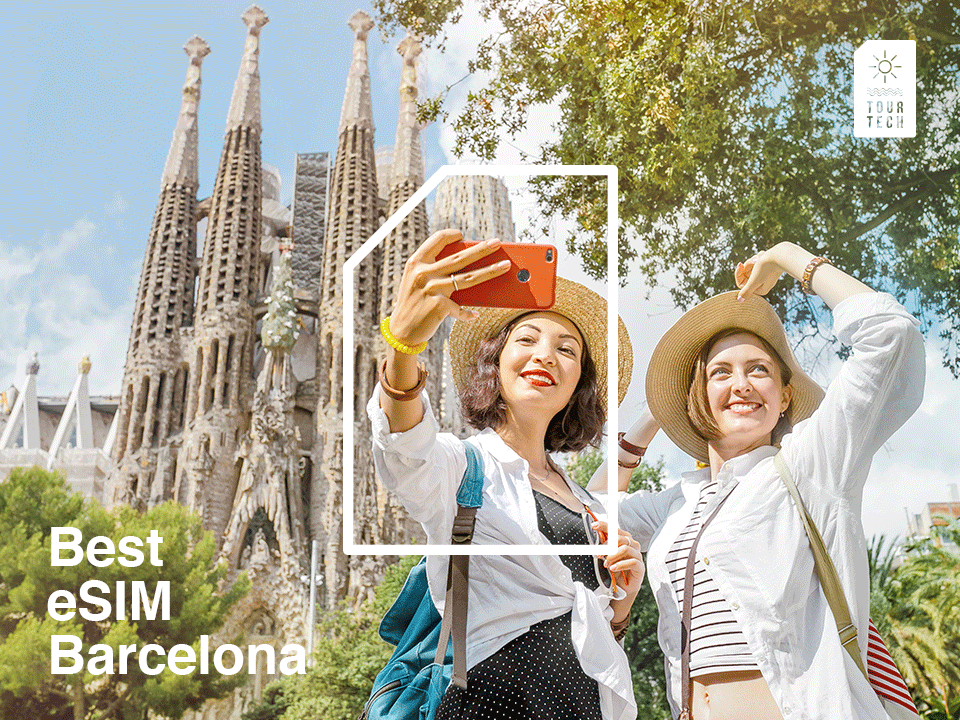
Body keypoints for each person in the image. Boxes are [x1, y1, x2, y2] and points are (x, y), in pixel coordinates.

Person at [589, 241, 925, 720]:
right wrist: (653, 415)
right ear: (697, 398)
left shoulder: (812, 465)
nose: (741, 384)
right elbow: (588, 510)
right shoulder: (677, 505)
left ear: (785, 396)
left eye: (759, 371)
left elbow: (891, 336)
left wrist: (790, 258)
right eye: (720, 373)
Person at [368, 228, 643, 720]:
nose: (545, 355)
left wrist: (621, 603)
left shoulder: (590, 506)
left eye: (567, 349)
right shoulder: (462, 468)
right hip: (486, 704)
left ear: (579, 381)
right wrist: (403, 346)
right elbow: (405, 449)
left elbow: (595, 638)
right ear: (496, 363)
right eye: (527, 339)